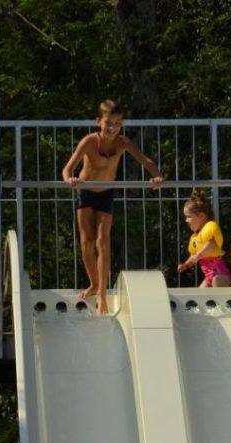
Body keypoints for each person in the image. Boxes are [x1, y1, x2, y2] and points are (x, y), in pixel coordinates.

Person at [62, 99, 163, 315]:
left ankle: (101, 294)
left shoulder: (123, 143)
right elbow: (67, 168)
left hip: (106, 193)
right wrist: (70, 179)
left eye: (117, 124)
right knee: (87, 242)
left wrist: (156, 177)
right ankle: (94, 283)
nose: (112, 128)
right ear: (98, 122)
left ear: (122, 124)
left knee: (103, 241)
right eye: (108, 123)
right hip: (86, 191)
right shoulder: (89, 141)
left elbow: (146, 161)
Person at [177, 189, 231, 287]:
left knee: (216, 289)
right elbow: (192, 255)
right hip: (208, 277)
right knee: (200, 296)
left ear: (201, 216)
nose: (186, 220)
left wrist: (199, 255)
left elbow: (212, 244)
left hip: (220, 274)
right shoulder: (195, 238)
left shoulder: (210, 227)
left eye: (189, 216)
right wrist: (186, 264)